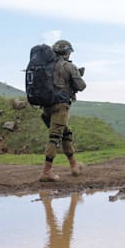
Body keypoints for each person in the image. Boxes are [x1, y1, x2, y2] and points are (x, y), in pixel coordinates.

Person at [39, 39, 87, 182]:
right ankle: (46, 172)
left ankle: (74, 165)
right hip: (60, 106)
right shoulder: (68, 66)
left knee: (66, 134)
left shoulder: (45, 66)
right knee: (55, 137)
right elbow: (81, 86)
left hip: (46, 107)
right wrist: (76, 75)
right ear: (67, 52)